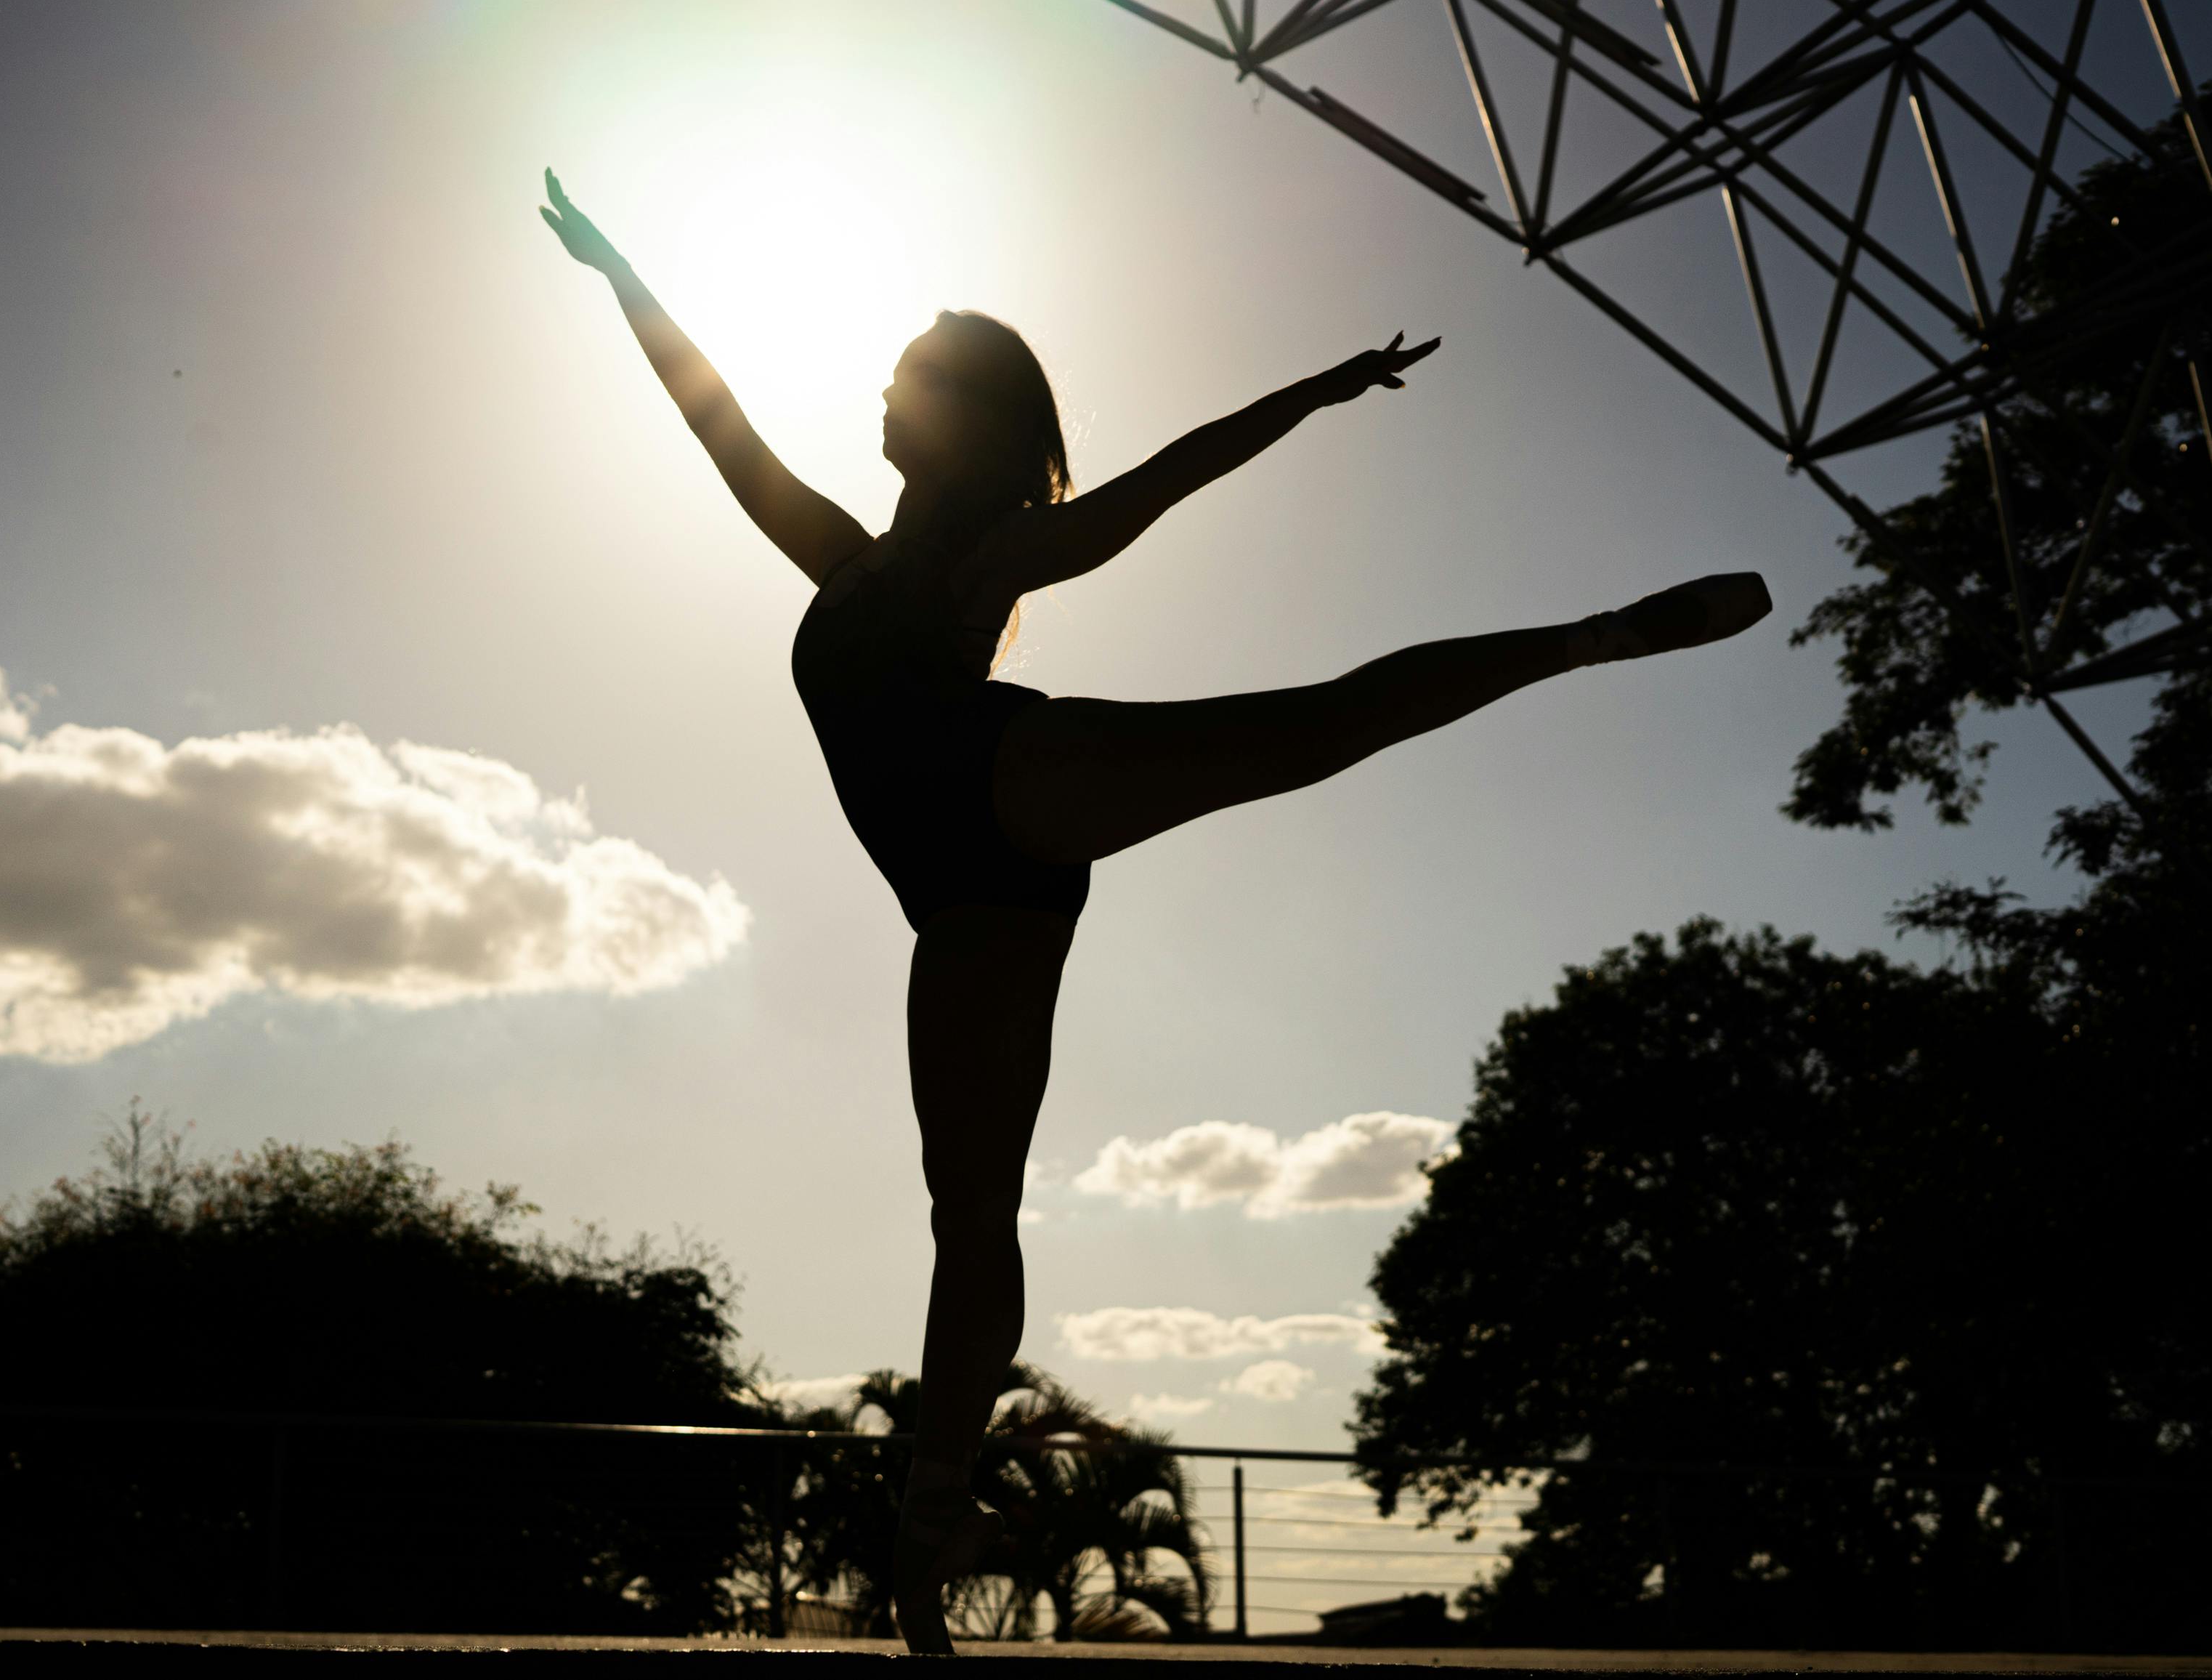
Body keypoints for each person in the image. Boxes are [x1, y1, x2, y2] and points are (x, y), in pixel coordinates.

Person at [538, 169, 1767, 1652]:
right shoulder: (846, 556)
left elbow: (1164, 478)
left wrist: (1312, 393)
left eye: (907, 374)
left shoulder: (985, 554)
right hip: (958, 898)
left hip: (1013, 784)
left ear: (970, 420)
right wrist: (619, 274)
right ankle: (929, 1534)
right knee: (966, 1213)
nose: (877, 387)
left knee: (1306, 725)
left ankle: (1593, 635)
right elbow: (712, 417)